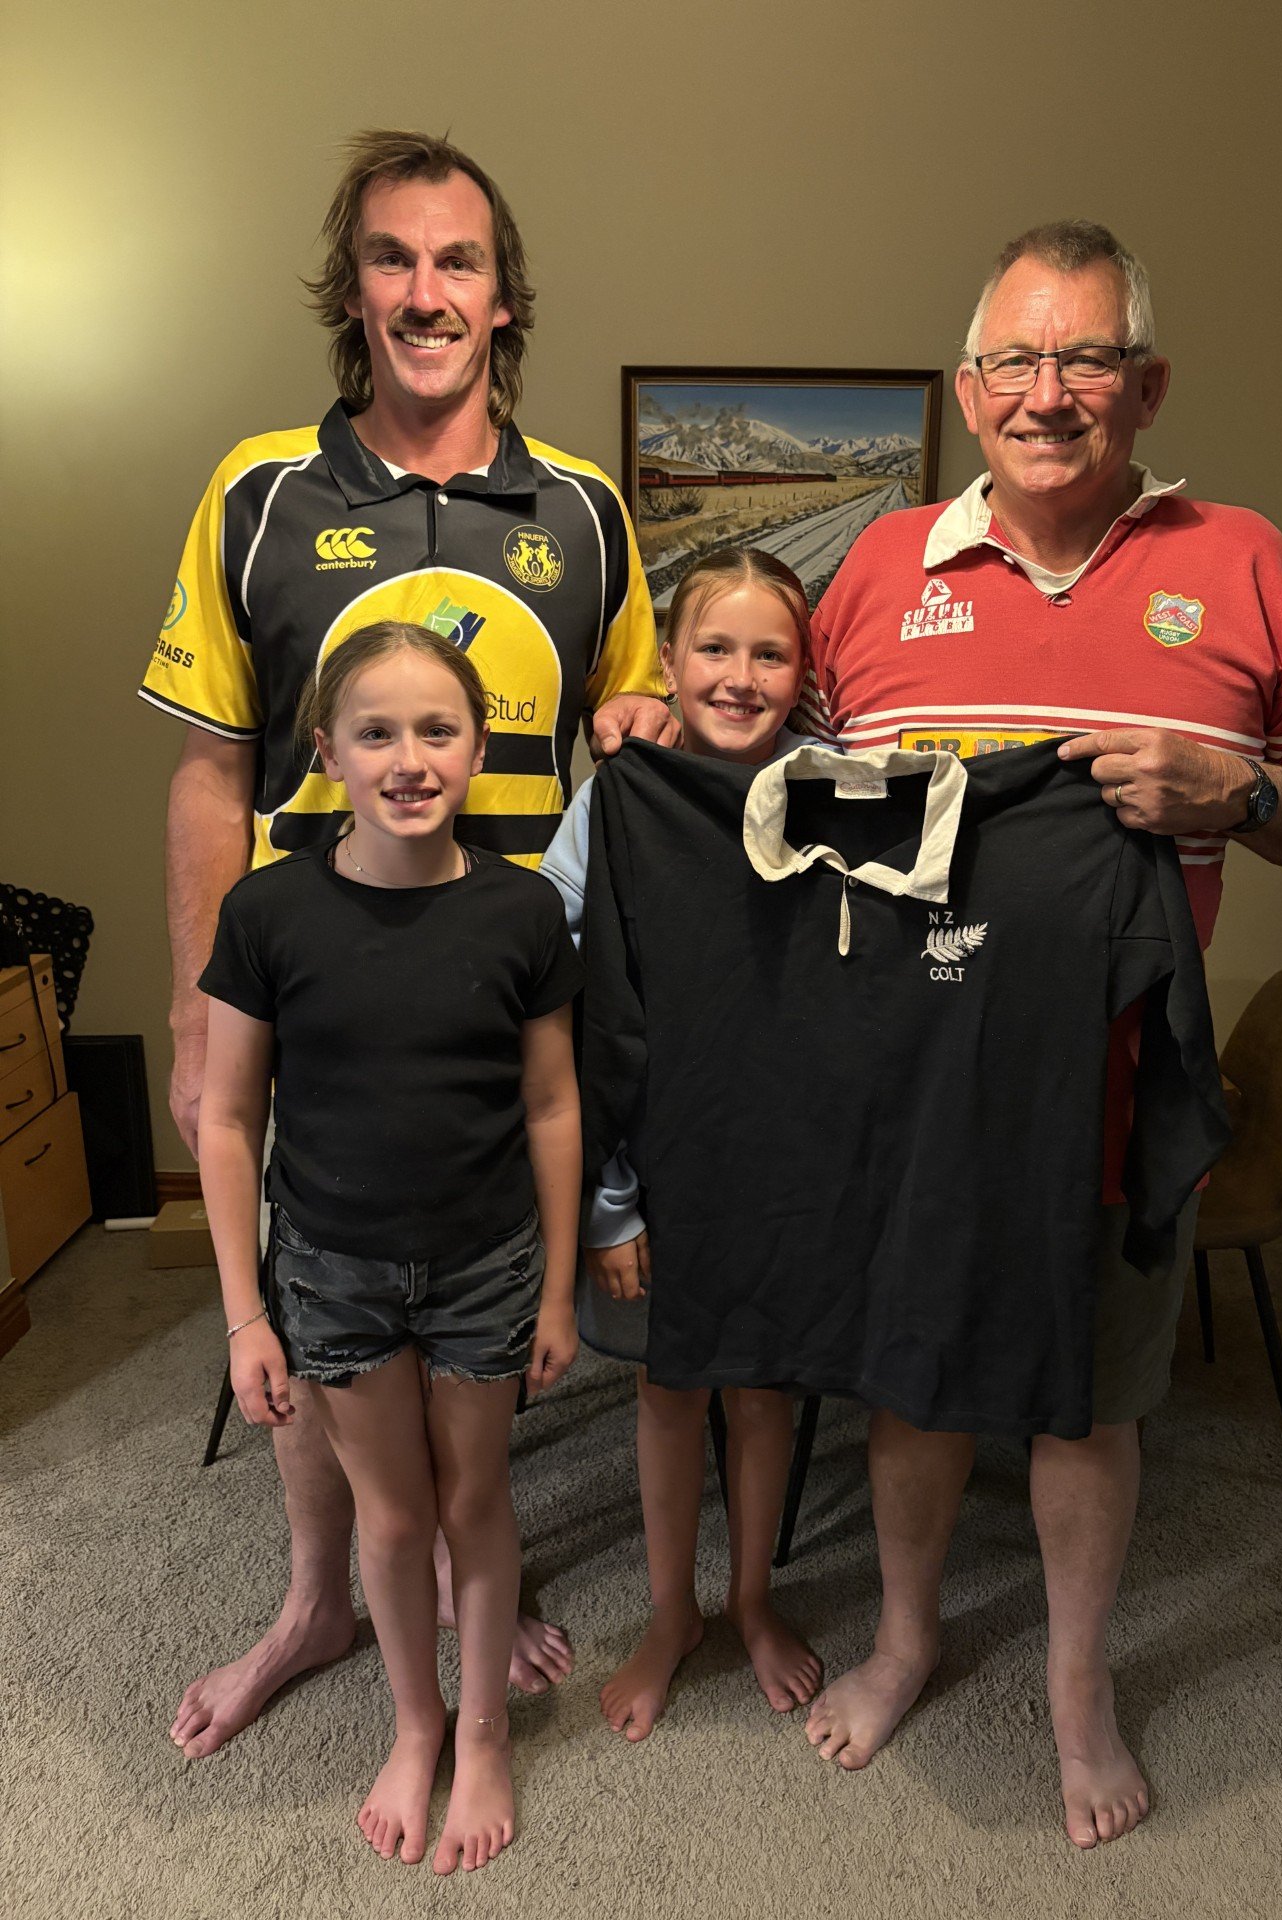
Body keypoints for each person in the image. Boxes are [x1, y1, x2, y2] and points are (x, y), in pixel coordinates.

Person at [793, 221, 1282, 1845]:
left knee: (1090, 1404)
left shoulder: (1244, 557)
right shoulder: (877, 566)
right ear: (969, 391)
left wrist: (1242, 790)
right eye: (1017, 363)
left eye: (1087, 358)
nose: (1050, 394)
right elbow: (791, 806)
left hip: (1122, 1091)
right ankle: (909, 1637)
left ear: (1145, 383)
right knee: (909, 1388)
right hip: (917, 1088)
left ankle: (1076, 1681)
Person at [148, 128, 674, 1762]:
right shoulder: (259, 493)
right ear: (352, 291)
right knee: (325, 1291)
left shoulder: (586, 511)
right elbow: (213, 767)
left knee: (488, 1283)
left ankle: (461, 1562)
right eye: (393, 257)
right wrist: (191, 1009)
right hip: (312, 986)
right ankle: (324, 1598)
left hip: (514, 988)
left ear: (505, 302)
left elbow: (635, 762)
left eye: (459, 261)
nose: (427, 290)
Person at [200, 620, 583, 1871]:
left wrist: (561, 1288)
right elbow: (227, 1114)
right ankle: (413, 1725)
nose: (409, 758)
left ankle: (480, 1735)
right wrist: (245, 1316)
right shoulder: (268, 910)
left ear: (479, 748)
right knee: (392, 1513)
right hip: (334, 1271)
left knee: (475, 1501)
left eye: (438, 730)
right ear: (327, 751)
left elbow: (551, 1107)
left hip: (486, 1268)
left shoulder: (525, 912)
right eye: (377, 732)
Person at [542, 549, 825, 1740]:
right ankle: (673, 1612)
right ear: (668, 664)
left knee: (762, 1395)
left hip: (784, 1163)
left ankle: (752, 1597)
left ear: (806, 675)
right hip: (654, 1162)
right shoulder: (622, 795)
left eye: (771, 652)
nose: (741, 675)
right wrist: (609, 1206)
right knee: (669, 1393)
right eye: (717, 648)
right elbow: (573, 993)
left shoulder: (836, 793)